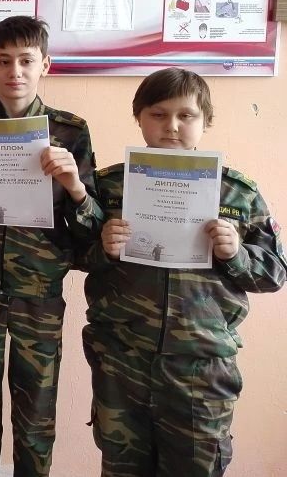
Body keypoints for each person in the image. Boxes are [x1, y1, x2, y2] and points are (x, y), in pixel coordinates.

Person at [85, 68, 285, 477]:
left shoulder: (238, 194)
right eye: (158, 114)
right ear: (139, 117)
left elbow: (274, 274)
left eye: (186, 115)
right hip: (123, 360)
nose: (171, 126)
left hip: (201, 367)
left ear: (205, 120)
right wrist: (103, 248)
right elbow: (70, 254)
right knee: (122, 468)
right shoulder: (108, 187)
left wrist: (236, 254)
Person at [0, 16, 99, 477]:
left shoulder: (70, 131)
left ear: (45, 64)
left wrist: (75, 187)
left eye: (26, 60)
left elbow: (91, 224)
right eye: (3, 61)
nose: (15, 71)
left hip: (38, 293)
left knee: (36, 417)